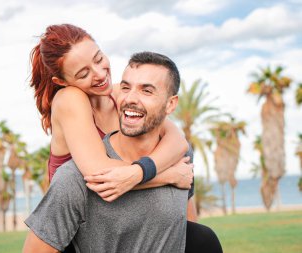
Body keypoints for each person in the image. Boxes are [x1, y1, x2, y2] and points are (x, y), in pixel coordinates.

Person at [24, 51, 223, 253]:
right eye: (125, 87)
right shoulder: (74, 179)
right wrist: (152, 174)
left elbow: (186, 230)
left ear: (170, 104)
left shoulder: (180, 159)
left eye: (147, 91)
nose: (130, 98)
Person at [29, 24, 195, 212]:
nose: (100, 74)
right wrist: (168, 177)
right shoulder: (69, 99)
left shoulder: (121, 95)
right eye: (84, 74)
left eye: (99, 59)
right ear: (62, 82)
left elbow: (178, 141)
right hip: (79, 222)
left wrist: (140, 172)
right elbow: (99, 175)